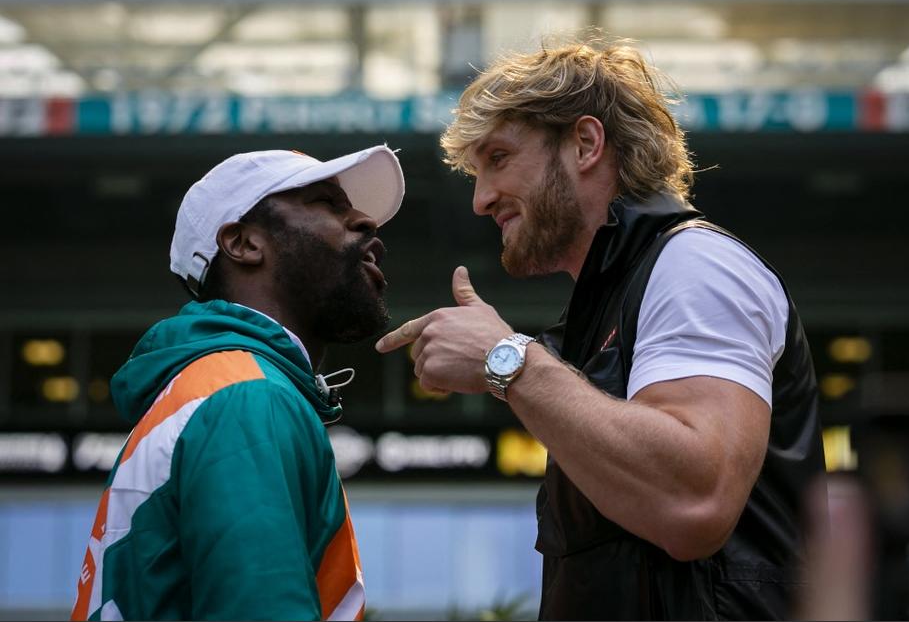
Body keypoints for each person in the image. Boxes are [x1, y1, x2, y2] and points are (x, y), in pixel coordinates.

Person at [376, 40, 825, 619]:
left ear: (586, 143)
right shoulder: (616, 295)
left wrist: (506, 359)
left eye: (499, 158)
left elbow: (695, 502)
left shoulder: (694, 266)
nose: (481, 201)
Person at [71, 145, 404, 621]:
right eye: (328, 204)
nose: (367, 223)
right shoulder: (247, 397)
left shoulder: (215, 388)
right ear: (245, 244)